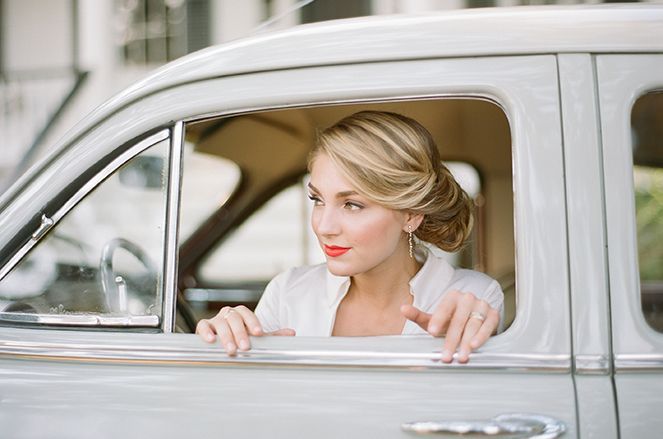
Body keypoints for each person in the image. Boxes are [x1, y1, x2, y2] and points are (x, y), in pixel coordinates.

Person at [196, 110, 503, 363]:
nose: (324, 226)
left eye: (352, 204)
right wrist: (221, 342)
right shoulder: (288, 293)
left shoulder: (476, 296)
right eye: (317, 200)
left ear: (410, 215)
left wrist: (475, 346)